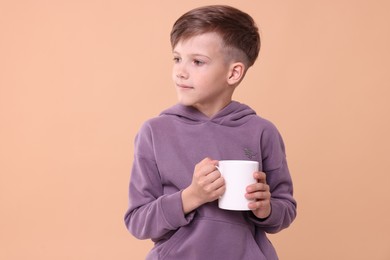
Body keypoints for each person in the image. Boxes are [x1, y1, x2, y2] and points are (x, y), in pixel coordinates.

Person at [124, 5, 297, 260]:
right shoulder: (155, 132)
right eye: (177, 58)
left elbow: (286, 210)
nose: (180, 71)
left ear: (233, 72)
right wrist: (191, 196)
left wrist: (266, 209)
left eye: (197, 62)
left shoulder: (262, 131)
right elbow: (137, 221)